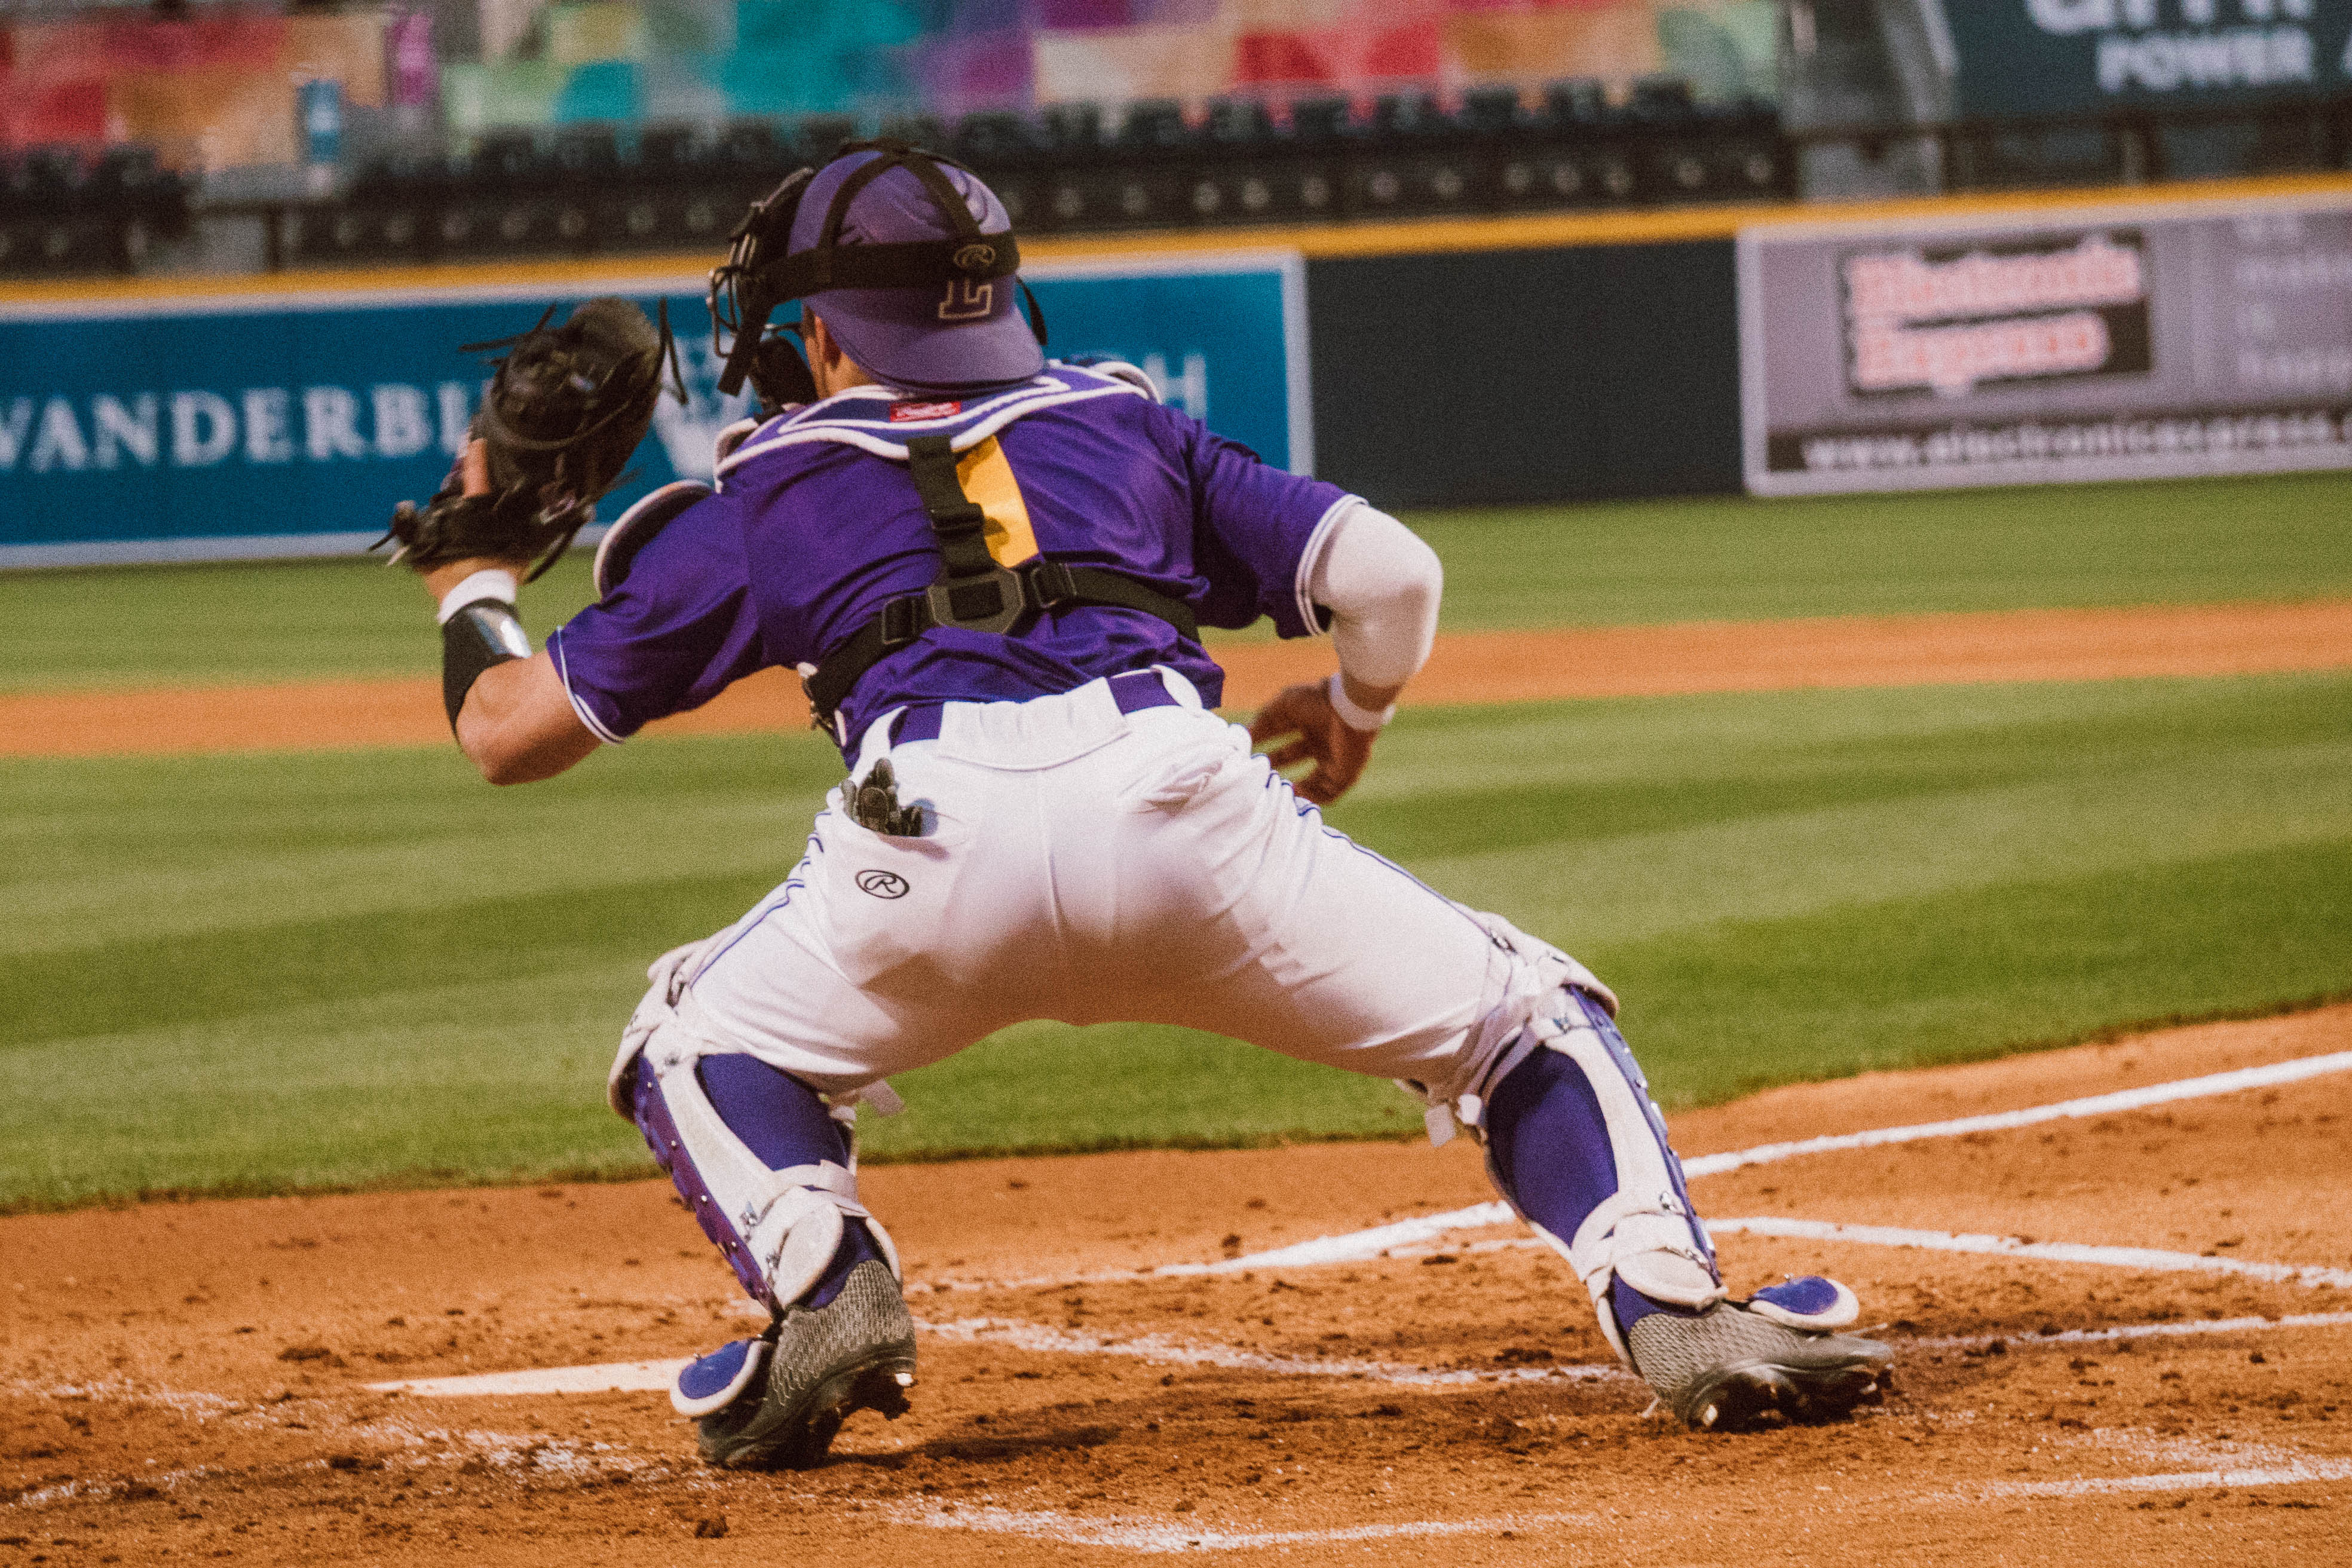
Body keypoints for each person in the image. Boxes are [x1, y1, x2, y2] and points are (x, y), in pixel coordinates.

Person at [412, 143, 1891, 1469]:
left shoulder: (764, 487)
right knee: (1524, 1023)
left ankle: (823, 1282)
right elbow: (1395, 577)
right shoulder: (1123, 424)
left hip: (916, 855)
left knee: (692, 1037)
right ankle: (1674, 1305)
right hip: (1190, 813)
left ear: (814, 332)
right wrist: (1350, 713)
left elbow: (505, 733)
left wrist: (471, 575)